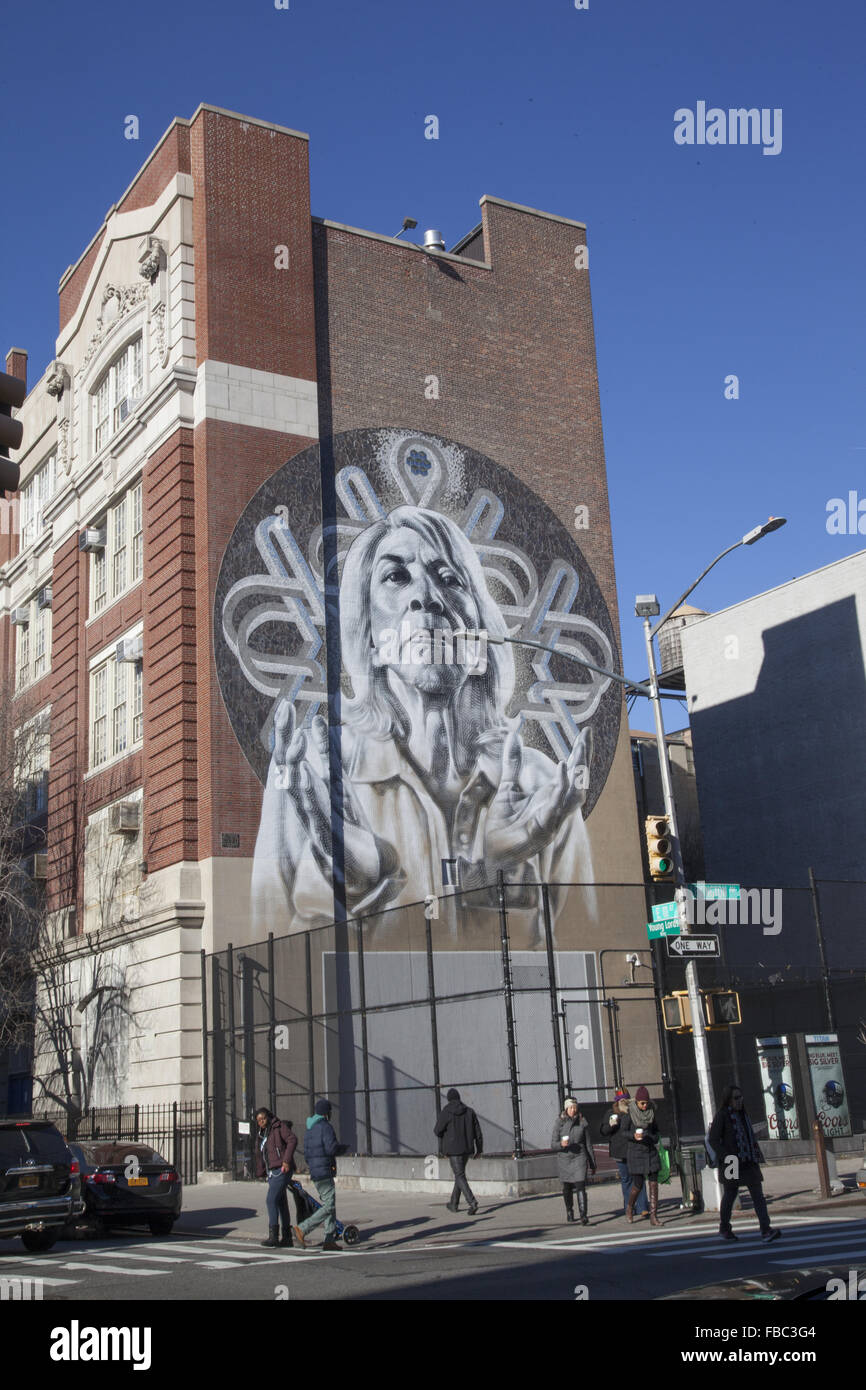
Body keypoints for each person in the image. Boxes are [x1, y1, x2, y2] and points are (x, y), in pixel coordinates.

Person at [251, 504, 594, 932]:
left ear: (478, 634)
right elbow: (262, 953)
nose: (427, 597)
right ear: (370, 638)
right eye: (396, 576)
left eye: (450, 579)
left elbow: (590, 949)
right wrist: (365, 891)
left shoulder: (543, 787)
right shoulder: (314, 770)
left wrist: (495, 868)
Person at [708, 1084, 780, 1243]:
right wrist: (725, 1156)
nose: (739, 1101)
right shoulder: (722, 1115)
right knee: (730, 1194)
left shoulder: (743, 1115)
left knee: (757, 1195)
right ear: (728, 1100)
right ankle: (724, 1227)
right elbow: (713, 1139)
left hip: (748, 1159)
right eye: (736, 1098)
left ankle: (766, 1229)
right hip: (731, 1161)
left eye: (741, 1097)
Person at [293, 1098, 345, 1251]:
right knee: (329, 1205)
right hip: (324, 1169)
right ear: (326, 1113)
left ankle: (329, 1238)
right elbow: (330, 1148)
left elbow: (307, 1153)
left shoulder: (310, 1129)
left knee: (329, 1203)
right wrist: (341, 1149)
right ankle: (302, 1229)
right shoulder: (325, 1127)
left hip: (315, 1170)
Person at [434, 1087, 484, 1215]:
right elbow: (478, 1132)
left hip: (453, 1149)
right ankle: (453, 1203)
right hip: (467, 1149)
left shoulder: (447, 1111)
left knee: (460, 1175)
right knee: (459, 1175)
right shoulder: (469, 1111)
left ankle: (472, 1202)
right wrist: (479, 1149)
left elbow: (437, 1130)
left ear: (449, 1099)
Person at [254, 1106, 298, 1248]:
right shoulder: (261, 1133)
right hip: (272, 1171)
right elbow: (260, 1154)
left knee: (270, 1200)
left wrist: (286, 1160)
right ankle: (286, 1237)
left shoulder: (278, 1127)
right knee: (281, 1202)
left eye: (263, 1118)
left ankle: (273, 1235)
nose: (261, 1121)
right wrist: (261, 1172)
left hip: (281, 1169)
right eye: (259, 1120)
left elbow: (292, 1140)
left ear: (268, 1117)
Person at [600, 1088, 648, 1218]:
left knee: (639, 1178)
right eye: (621, 1100)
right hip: (619, 1151)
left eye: (626, 1099)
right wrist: (611, 1125)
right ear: (616, 1102)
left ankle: (643, 1207)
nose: (624, 1102)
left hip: (634, 1149)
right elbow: (604, 1131)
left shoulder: (634, 1111)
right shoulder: (611, 1113)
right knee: (626, 1179)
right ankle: (629, 1207)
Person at [552, 1097, 596, 1224]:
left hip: (579, 1156)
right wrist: (561, 1144)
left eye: (575, 1107)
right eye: (571, 1108)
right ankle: (569, 1210)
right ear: (566, 1108)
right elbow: (553, 1144)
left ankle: (583, 1214)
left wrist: (592, 1162)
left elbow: (588, 1143)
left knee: (580, 1184)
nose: (573, 1110)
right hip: (565, 1158)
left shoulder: (582, 1121)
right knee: (567, 1187)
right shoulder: (559, 1122)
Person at [624, 1086, 662, 1227]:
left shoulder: (652, 1113)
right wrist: (633, 1136)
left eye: (646, 1102)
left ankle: (654, 1215)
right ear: (637, 1102)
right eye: (642, 1103)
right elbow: (623, 1132)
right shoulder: (630, 1114)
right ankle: (629, 1207)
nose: (645, 1105)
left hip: (650, 1151)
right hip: (636, 1152)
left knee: (653, 1184)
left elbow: (657, 1132)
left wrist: (652, 1137)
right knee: (638, 1185)